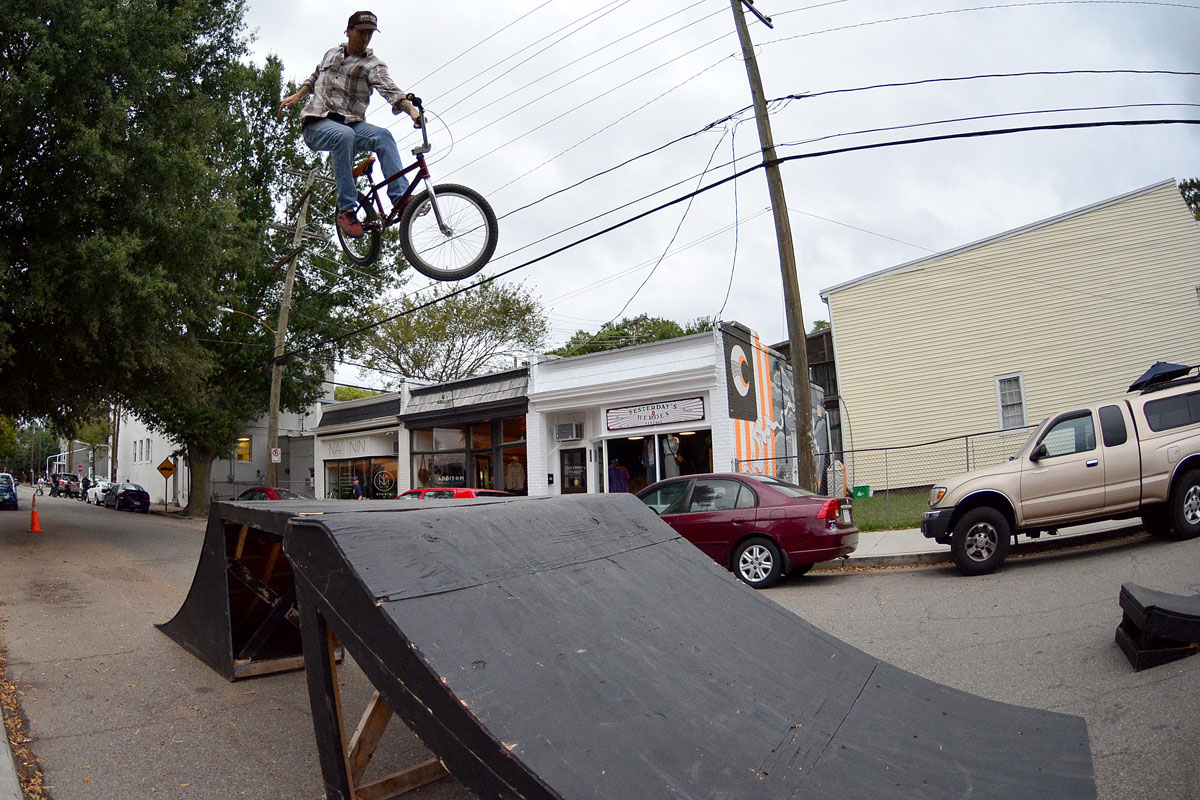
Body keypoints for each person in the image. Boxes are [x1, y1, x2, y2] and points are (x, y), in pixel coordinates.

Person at [278, 10, 422, 239]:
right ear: (348, 31)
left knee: (383, 136)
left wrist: (412, 111)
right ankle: (346, 209)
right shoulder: (331, 54)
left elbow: (390, 90)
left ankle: (401, 199)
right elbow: (314, 77)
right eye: (361, 33)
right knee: (343, 135)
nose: (365, 38)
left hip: (351, 124)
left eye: (370, 34)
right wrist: (298, 95)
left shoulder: (373, 65)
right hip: (317, 124)